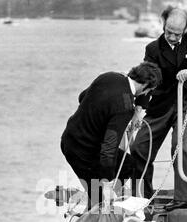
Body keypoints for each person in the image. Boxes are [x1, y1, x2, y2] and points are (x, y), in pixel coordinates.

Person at [130, 6, 187, 211]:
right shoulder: (153, 49)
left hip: (186, 103)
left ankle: (183, 198)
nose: (173, 37)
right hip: (161, 105)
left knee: (179, 147)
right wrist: (138, 109)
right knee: (139, 145)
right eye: (169, 32)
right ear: (163, 24)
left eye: (177, 33)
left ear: (185, 29)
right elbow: (148, 77)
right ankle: (142, 196)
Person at [61, 62, 162, 208]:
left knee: (127, 165)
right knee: (100, 197)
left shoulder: (109, 77)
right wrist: (107, 184)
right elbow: (109, 148)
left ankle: (99, 199)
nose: (147, 94)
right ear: (145, 85)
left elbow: (82, 97)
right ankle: (98, 210)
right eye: (149, 90)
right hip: (81, 151)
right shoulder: (125, 107)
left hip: (72, 136)